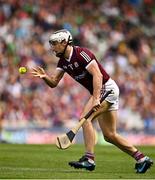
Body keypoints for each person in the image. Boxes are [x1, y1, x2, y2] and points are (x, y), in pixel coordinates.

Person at [31, 29, 153, 173]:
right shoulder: (63, 62)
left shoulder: (82, 54)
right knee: (109, 135)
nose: (52, 47)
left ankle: (89, 159)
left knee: (85, 119)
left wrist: (95, 98)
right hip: (103, 92)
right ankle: (142, 159)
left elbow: (98, 75)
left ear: (64, 42)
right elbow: (54, 82)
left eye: (54, 44)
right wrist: (45, 76)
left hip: (107, 89)